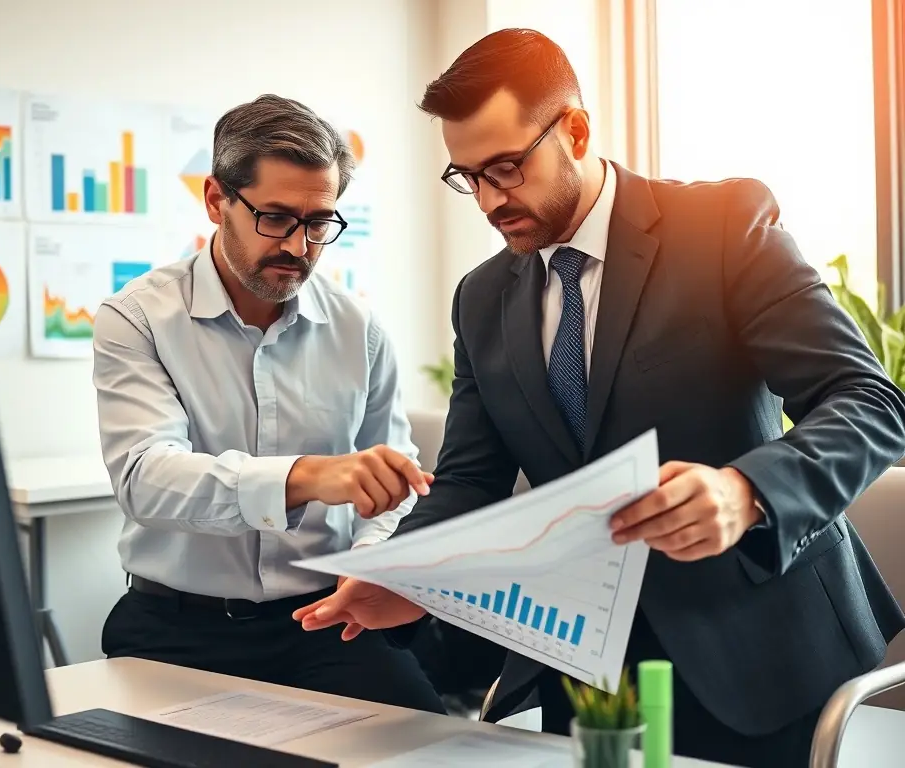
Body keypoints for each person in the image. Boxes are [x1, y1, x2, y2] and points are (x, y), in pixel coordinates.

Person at [293, 29, 905, 766]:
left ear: (575, 131)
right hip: (581, 664)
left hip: (758, 651)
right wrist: (410, 579)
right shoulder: (483, 297)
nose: (489, 199)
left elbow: (867, 400)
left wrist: (748, 491)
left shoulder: (722, 228)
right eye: (467, 177)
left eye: (507, 168)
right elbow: (467, 481)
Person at [91, 94, 445, 714]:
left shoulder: (357, 328)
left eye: (319, 224)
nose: (300, 247)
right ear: (215, 200)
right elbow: (145, 478)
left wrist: (369, 561)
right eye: (276, 218)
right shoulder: (138, 318)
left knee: (434, 751)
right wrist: (307, 477)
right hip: (176, 629)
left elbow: (396, 483)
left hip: (325, 623)